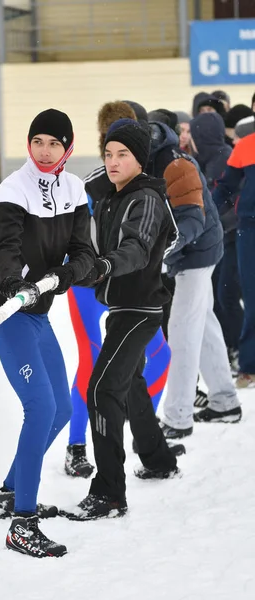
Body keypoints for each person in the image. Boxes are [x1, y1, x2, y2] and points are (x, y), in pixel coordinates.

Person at [0, 108, 94, 557]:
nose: (45, 151)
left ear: (67, 148)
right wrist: (16, 285)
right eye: (38, 141)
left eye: (54, 143)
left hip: (39, 311)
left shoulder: (75, 189)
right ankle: (21, 523)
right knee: (40, 405)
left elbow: (84, 251)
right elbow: (6, 249)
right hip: (8, 309)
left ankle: (11, 490)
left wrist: (66, 275)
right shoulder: (14, 189)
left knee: (62, 409)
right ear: (29, 145)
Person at [60, 119, 182, 522]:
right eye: (108, 154)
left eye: (122, 154)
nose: (112, 161)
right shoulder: (114, 196)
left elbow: (137, 248)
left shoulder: (144, 198)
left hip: (140, 309)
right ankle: (158, 458)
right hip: (123, 307)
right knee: (128, 383)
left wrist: (104, 266)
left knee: (100, 391)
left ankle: (110, 492)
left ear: (138, 159)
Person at [146, 111, 241, 437]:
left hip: (195, 255)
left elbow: (190, 219)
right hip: (195, 252)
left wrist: (162, 250)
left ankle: (178, 418)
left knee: (183, 332)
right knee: (205, 323)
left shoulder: (174, 163)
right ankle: (225, 401)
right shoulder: (150, 160)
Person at [190, 111, 243, 374]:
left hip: (231, 236)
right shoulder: (203, 159)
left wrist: (208, 220)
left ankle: (236, 347)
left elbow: (224, 198)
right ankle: (228, 346)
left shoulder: (223, 158)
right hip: (217, 237)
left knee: (226, 297)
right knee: (218, 298)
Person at [213, 122, 255, 388]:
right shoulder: (245, 145)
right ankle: (249, 366)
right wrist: (205, 212)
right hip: (249, 229)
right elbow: (226, 186)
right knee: (251, 296)